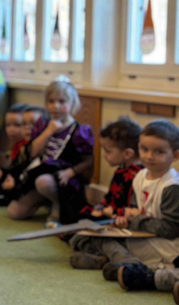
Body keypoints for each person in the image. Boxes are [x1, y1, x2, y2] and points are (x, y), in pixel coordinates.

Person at [71, 120, 179, 292]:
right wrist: (125, 220)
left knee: (100, 239)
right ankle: (114, 261)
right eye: (144, 149)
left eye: (159, 152)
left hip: (163, 245)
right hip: (142, 234)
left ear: (174, 156)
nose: (149, 156)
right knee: (83, 234)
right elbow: (133, 211)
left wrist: (135, 219)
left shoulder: (172, 186)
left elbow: (170, 229)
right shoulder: (140, 176)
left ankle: (127, 264)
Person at [6, 78, 93, 226]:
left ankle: (57, 205)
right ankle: (46, 200)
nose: (56, 106)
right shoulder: (43, 124)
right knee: (14, 212)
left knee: (43, 182)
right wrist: (49, 131)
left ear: (72, 104)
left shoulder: (80, 130)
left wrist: (70, 172)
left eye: (62, 101)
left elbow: (88, 160)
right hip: (40, 174)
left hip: (64, 178)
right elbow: (33, 152)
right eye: (51, 101)